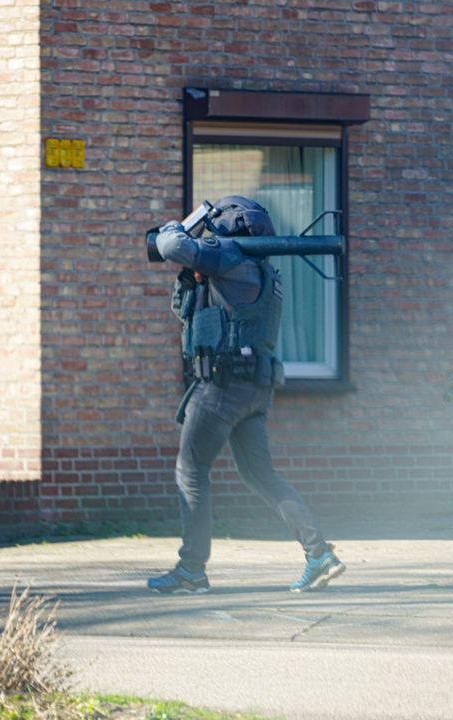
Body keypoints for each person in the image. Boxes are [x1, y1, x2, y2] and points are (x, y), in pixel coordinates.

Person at [146, 195, 345, 595]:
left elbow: (169, 246)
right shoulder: (263, 272)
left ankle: (191, 571)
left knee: (190, 471)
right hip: (253, 388)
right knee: (260, 475)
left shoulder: (230, 256)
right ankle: (318, 553)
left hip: (221, 386)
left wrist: (178, 227)